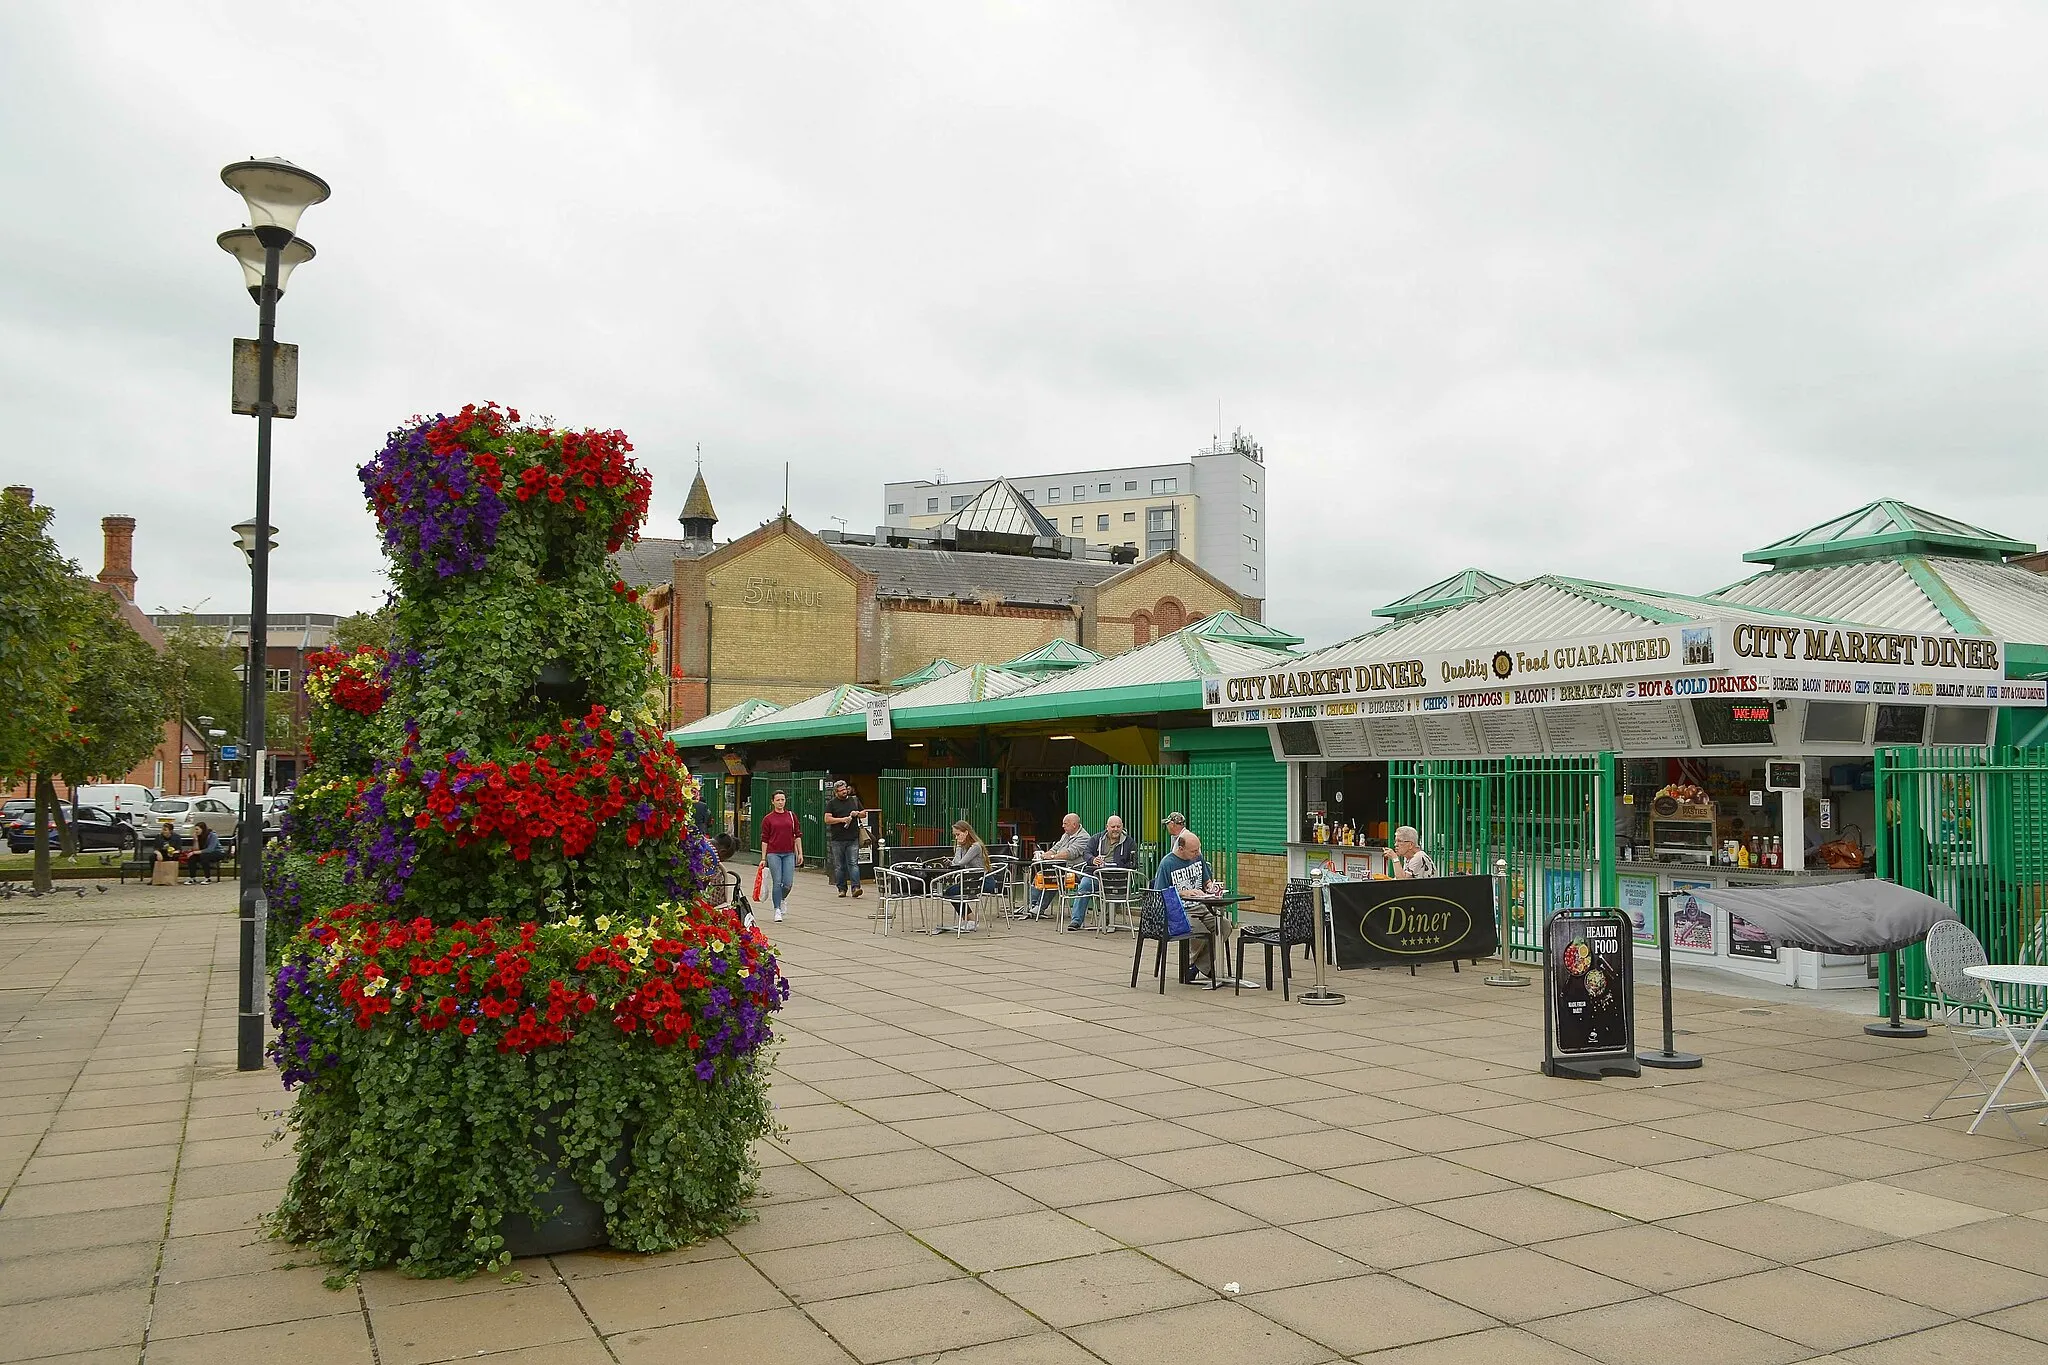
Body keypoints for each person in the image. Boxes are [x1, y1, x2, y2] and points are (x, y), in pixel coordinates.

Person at [1153, 830, 1224, 981]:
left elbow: (1206, 880)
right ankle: (1192, 964)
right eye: (1193, 851)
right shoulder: (1167, 864)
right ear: (1181, 849)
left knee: (1223, 926)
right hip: (1181, 911)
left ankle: (1199, 966)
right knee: (1201, 933)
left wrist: (1210, 886)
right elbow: (1160, 892)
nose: (1197, 853)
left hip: (1203, 907)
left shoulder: (1198, 859)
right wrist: (1183, 893)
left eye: (1198, 849)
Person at [1068, 814, 1137, 931]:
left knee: (1117, 889)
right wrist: (1093, 860)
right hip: (1096, 875)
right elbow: (1086, 852)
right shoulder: (1096, 838)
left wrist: (1119, 866)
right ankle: (1076, 921)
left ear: (1122, 827)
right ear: (1107, 827)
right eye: (1113, 826)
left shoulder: (1129, 842)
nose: (1115, 829)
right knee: (1084, 885)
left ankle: (1108, 920)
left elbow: (1134, 862)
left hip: (1118, 878)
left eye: (1118, 826)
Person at [1031, 813, 1091, 917]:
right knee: (1039, 872)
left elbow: (1070, 853)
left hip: (1075, 870)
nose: (1063, 826)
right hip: (1061, 867)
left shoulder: (1084, 838)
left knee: (1054, 876)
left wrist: (1053, 857)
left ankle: (1039, 907)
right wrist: (1044, 855)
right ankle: (1032, 905)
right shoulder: (1066, 835)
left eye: (1065, 824)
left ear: (1074, 825)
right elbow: (1055, 848)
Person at [936, 820, 988, 934]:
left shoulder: (975, 847)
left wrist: (958, 847)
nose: (956, 838)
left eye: (958, 834)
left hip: (983, 880)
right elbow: (955, 863)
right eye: (955, 835)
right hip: (972, 880)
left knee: (950, 892)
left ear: (966, 833)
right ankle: (969, 920)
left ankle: (971, 920)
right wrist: (950, 862)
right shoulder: (965, 846)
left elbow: (961, 863)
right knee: (950, 891)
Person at [759, 789, 802, 923]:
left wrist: (800, 852)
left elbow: (797, 835)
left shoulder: (791, 816)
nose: (780, 802)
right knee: (777, 881)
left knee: (788, 883)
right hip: (773, 853)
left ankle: (782, 898)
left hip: (789, 852)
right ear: (773, 802)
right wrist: (763, 858)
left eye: (782, 799)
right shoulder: (768, 819)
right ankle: (777, 908)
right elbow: (765, 839)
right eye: (777, 800)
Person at [823, 780, 864, 898]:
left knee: (853, 863)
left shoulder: (854, 800)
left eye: (845, 789)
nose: (844, 792)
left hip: (853, 837)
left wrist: (857, 813)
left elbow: (864, 813)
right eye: (841, 790)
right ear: (836, 792)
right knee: (840, 866)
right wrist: (842, 820)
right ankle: (842, 889)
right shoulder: (832, 804)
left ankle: (856, 887)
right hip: (837, 839)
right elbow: (827, 819)